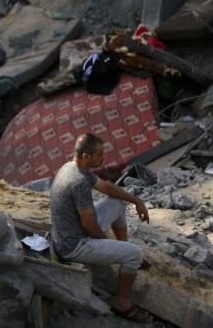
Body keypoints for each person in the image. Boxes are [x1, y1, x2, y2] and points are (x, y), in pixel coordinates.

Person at [50, 133, 151, 322]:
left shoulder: (73, 167)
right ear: (86, 156)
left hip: (68, 232)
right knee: (134, 254)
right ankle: (121, 301)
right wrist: (105, 243)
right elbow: (88, 225)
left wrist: (136, 201)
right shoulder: (78, 181)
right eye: (100, 153)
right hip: (73, 245)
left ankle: (123, 251)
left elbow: (107, 188)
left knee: (119, 203)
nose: (103, 157)